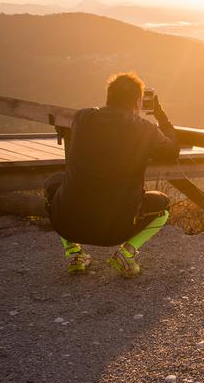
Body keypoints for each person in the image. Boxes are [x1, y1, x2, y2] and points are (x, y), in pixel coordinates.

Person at [44, 72, 180, 277]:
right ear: (137, 101)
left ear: (109, 96)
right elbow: (171, 152)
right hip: (116, 230)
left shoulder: (82, 117)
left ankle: (74, 252)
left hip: (67, 224)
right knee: (162, 206)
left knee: (53, 184)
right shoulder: (144, 129)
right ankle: (126, 253)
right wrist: (160, 116)